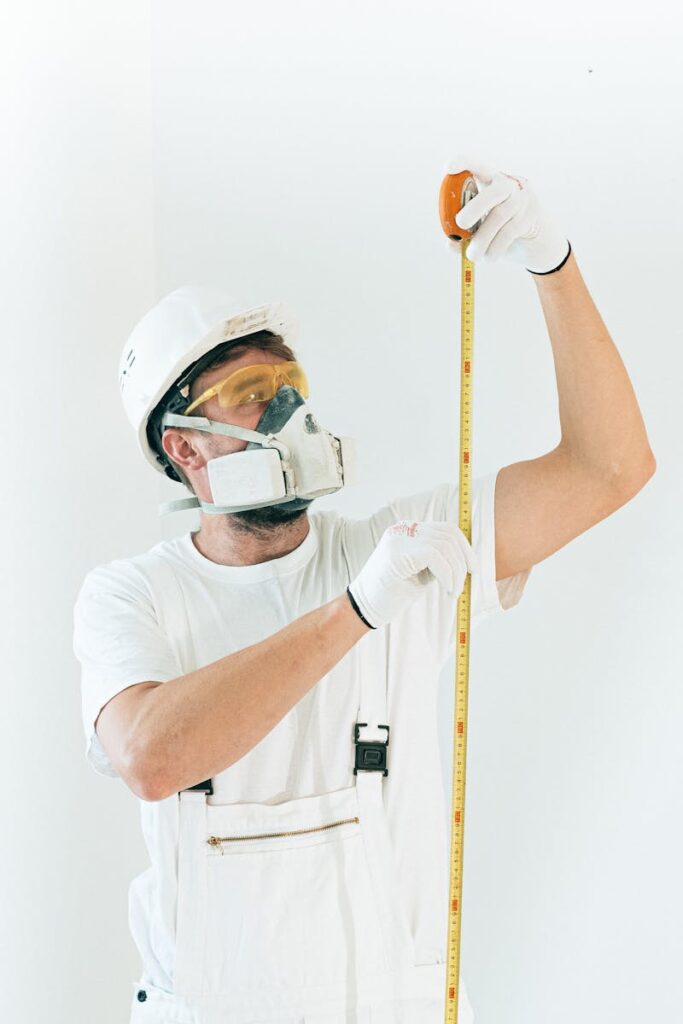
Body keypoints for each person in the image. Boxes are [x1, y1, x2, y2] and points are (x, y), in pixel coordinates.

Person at [73, 162, 655, 1024]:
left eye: (290, 390)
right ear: (184, 448)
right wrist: (356, 610)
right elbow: (152, 759)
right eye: (250, 396)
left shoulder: (403, 551)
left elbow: (610, 467)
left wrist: (552, 261)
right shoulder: (134, 596)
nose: (286, 416)